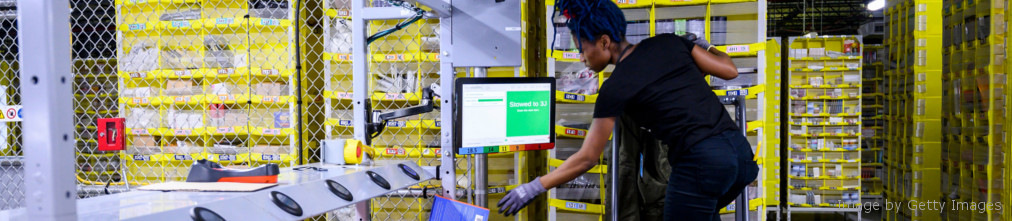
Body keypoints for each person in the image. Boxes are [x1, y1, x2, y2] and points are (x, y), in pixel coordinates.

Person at [495, 0, 758, 220]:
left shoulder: (615, 87)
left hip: (701, 164)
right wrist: (703, 45)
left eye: (581, 48)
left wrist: (533, 188)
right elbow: (729, 70)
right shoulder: (668, 42)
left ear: (604, 41)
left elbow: (587, 158)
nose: (580, 57)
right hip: (740, 155)